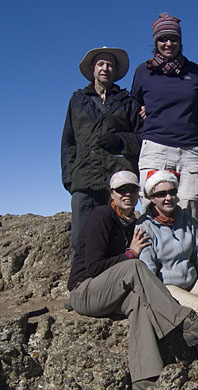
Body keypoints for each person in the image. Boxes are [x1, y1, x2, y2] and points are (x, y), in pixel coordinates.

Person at [67, 171, 198, 390]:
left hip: (109, 293)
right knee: (134, 266)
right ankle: (185, 321)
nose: (127, 194)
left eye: (132, 189)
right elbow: (94, 268)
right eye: (121, 190)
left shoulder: (130, 222)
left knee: (138, 302)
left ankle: (144, 378)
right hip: (85, 291)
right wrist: (130, 253)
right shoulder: (101, 216)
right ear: (111, 194)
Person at [61, 46, 142, 256]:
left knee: (117, 241)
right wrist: (70, 179)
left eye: (109, 64)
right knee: (81, 241)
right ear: (92, 68)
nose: (105, 68)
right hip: (83, 181)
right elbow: (68, 143)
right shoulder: (77, 100)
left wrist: (120, 140)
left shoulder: (128, 101)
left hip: (116, 183)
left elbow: (142, 139)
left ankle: (115, 286)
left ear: (115, 70)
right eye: (100, 64)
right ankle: (81, 286)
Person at [131, 12, 198, 222]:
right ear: (155, 42)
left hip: (189, 149)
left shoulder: (194, 71)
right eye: (163, 39)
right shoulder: (143, 72)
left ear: (180, 41)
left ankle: (192, 254)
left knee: (192, 205)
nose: (168, 43)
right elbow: (133, 106)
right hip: (155, 147)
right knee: (152, 207)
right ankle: (151, 254)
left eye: (174, 39)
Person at [137, 170, 198, 319]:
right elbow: (148, 268)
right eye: (161, 194)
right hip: (167, 287)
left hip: (192, 282)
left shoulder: (187, 220)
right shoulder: (145, 226)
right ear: (152, 198)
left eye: (172, 192)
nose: (168, 197)